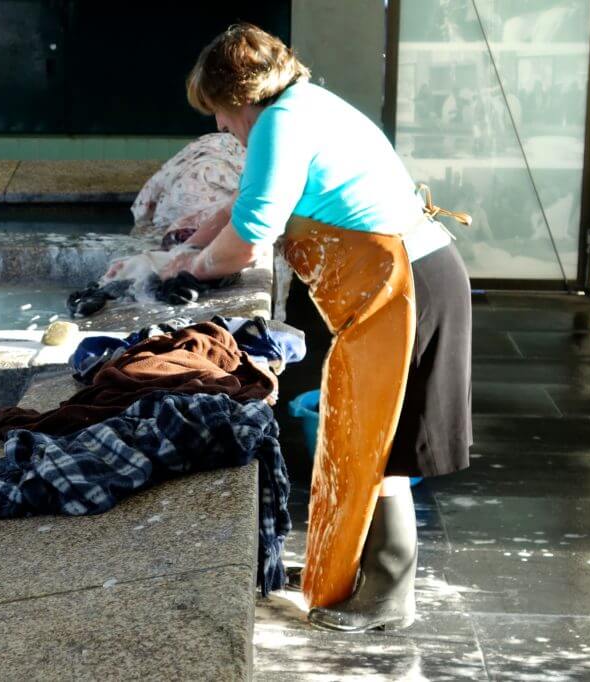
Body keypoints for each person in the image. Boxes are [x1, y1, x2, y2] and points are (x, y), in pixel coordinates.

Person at [161, 24, 472, 633]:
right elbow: (250, 200)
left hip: (409, 289)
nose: (220, 127)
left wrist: (194, 268)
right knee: (361, 435)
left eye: (220, 112)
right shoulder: (301, 107)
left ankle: (387, 593)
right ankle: (358, 585)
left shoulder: (282, 122)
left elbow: (249, 238)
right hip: (407, 282)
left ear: (242, 97)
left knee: (378, 445)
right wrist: (188, 245)